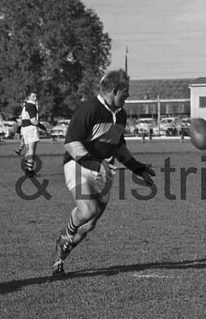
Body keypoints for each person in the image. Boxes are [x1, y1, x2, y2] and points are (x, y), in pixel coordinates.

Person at [50, 70, 156, 276]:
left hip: (103, 171)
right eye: (125, 92)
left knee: (89, 224)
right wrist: (96, 164)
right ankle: (66, 235)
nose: (127, 96)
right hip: (77, 166)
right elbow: (71, 144)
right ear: (114, 91)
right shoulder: (88, 109)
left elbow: (118, 147)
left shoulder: (121, 115)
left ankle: (60, 256)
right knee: (87, 210)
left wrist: (138, 168)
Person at [16, 92, 41, 175]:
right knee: (32, 151)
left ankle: (27, 168)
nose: (35, 98)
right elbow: (33, 120)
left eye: (36, 96)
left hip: (25, 129)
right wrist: (43, 128)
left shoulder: (26, 106)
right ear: (29, 97)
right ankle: (29, 171)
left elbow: (22, 120)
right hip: (31, 129)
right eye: (33, 96)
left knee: (29, 150)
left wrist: (18, 130)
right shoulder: (31, 105)